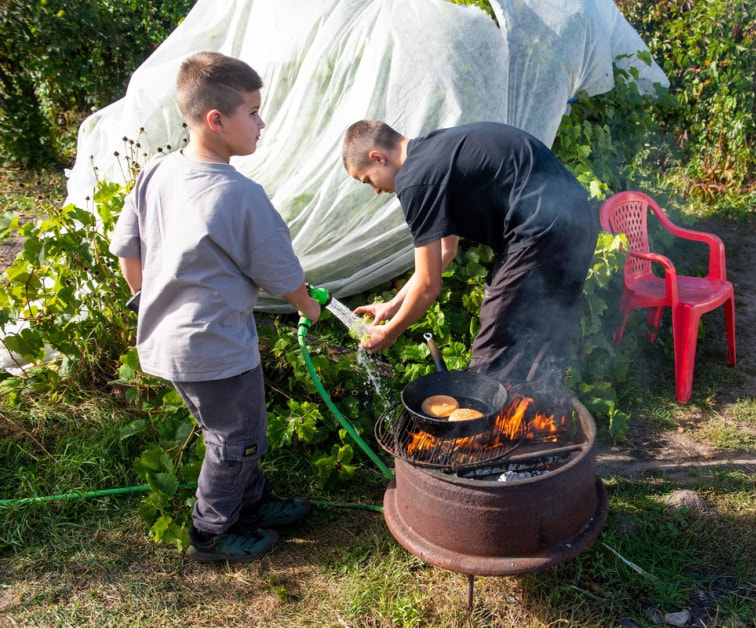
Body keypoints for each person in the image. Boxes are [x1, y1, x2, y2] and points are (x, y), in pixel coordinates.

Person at [110, 51, 323, 563]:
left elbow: (128, 251)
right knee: (237, 439)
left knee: (232, 429)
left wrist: (151, 305)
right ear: (216, 120)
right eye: (253, 112)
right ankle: (211, 530)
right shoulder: (240, 194)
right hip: (216, 347)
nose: (261, 123)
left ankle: (250, 501)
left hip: (170, 341)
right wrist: (309, 308)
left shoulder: (158, 172)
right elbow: (282, 275)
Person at [343, 120, 599, 386]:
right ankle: (538, 412)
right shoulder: (435, 153)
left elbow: (429, 286)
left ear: (378, 158)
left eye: (368, 180)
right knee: (546, 327)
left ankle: (485, 421)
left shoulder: (415, 179)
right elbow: (446, 250)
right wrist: (392, 305)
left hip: (541, 231)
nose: (375, 190)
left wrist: (391, 333)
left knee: (496, 345)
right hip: (578, 219)